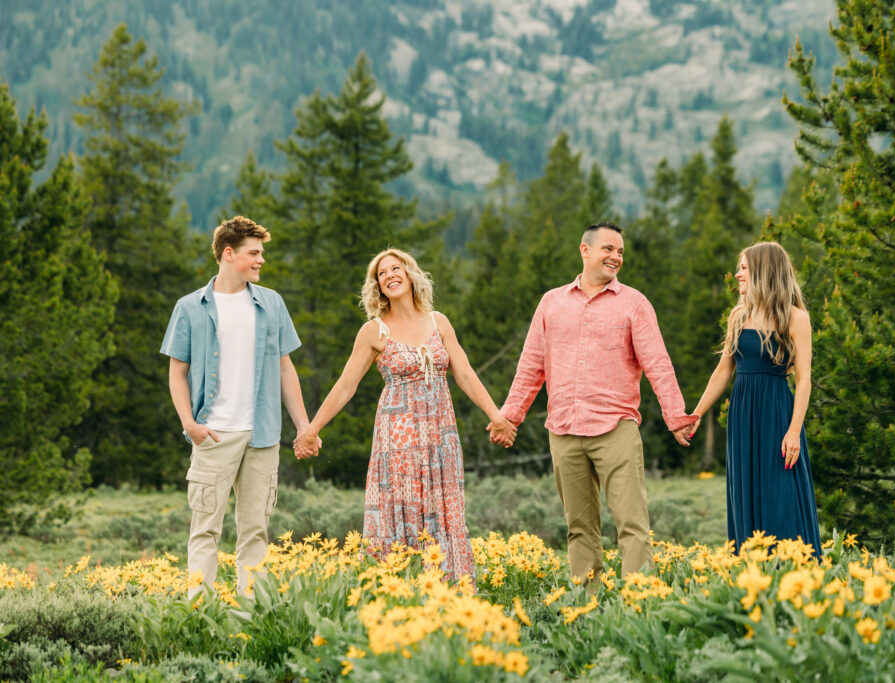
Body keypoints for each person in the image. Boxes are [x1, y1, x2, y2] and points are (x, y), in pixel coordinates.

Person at [493, 221, 699, 582]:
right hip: (564, 430)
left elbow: (658, 364)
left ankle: (640, 608)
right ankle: (585, 613)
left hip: (615, 429)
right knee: (579, 529)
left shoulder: (634, 304)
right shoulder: (551, 303)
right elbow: (531, 365)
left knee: (631, 525)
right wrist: (510, 416)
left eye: (620, 251)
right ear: (584, 250)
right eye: (608, 249)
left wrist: (676, 416)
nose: (616, 257)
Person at [294, 248, 516, 580]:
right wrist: (311, 430)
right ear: (377, 286)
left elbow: (465, 375)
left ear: (410, 274)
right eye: (381, 274)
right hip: (397, 443)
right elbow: (345, 386)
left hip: (441, 439)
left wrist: (497, 417)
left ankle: (448, 590)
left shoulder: (438, 322)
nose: (389, 276)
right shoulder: (374, 331)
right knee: (402, 510)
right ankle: (398, 588)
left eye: (395, 269)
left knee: (442, 511)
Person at [161, 216, 316, 597]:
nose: (261, 260)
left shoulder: (272, 303)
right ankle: (198, 613)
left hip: (261, 437)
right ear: (228, 254)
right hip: (212, 435)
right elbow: (176, 373)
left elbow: (285, 368)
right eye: (254, 253)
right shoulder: (190, 307)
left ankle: (253, 614)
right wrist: (190, 425)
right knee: (204, 531)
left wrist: (304, 426)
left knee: (255, 534)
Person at [687, 241, 822, 556]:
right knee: (745, 491)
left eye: (744, 268)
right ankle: (750, 571)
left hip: (777, 415)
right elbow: (723, 372)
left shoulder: (795, 317)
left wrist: (793, 432)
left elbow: (804, 380)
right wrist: (694, 415)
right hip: (743, 417)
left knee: (781, 494)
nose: (737, 275)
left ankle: (792, 569)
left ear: (763, 270)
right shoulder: (738, 316)